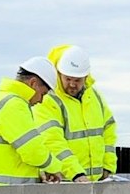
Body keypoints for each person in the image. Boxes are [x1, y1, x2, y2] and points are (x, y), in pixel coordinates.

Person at [0, 57, 91, 187]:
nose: (41, 101)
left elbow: (13, 153)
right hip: (5, 193)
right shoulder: (13, 104)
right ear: (33, 83)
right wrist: (55, 167)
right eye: (43, 94)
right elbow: (32, 150)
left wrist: (40, 170)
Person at [35, 44, 118, 178]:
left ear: (86, 77)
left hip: (95, 184)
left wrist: (108, 165)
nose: (72, 84)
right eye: (68, 79)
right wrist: (75, 173)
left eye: (77, 80)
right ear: (59, 74)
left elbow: (108, 131)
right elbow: (52, 141)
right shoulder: (48, 100)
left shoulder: (94, 97)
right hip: (65, 185)